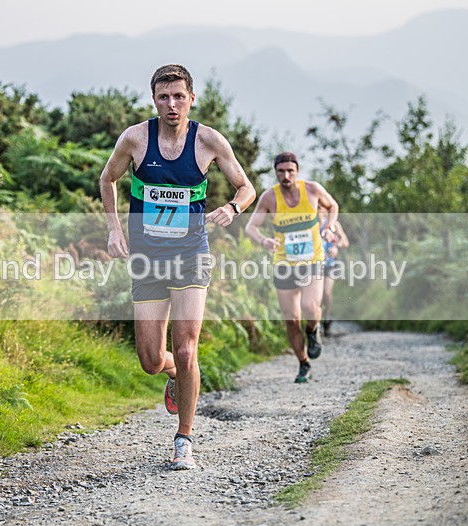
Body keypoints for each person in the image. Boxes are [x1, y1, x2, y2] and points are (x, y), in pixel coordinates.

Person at [99, 64, 255, 470]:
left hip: (190, 253)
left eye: (179, 96)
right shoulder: (135, 139)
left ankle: (184, 439)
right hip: (148, 258)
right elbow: (107, 179)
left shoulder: (208, 140)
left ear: (191, 98)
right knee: (151, 360)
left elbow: (247, 186)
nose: (172, 104)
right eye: (164, 97)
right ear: (154, 99)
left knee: (187, 350)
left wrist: (233, 208)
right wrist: (114, 229)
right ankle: (172, 376)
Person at [245, 152, 338, 383]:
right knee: (291, 320)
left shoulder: (313, 190)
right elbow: (251, 227)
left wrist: (329, 226)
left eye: (290, 171)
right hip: (284, 264)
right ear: (275, 172)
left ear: (297, 171)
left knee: (310, 306)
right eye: (281, 171)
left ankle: (313, 330)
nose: (286, 176)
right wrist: (264, 240)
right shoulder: (269, 197)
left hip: (313, 260)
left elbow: (333, 205)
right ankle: (303, 363)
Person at [319, 206, 349, 336]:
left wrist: (337, 247)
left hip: (330, 264)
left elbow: (345, 241)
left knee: (326, 292)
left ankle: (327, 318)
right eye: (317, 207)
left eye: (322, 207)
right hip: (315, 265)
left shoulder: (334, 224)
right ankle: (316, 322)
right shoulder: (310, 224)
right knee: (317, 296)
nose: (320, 210)